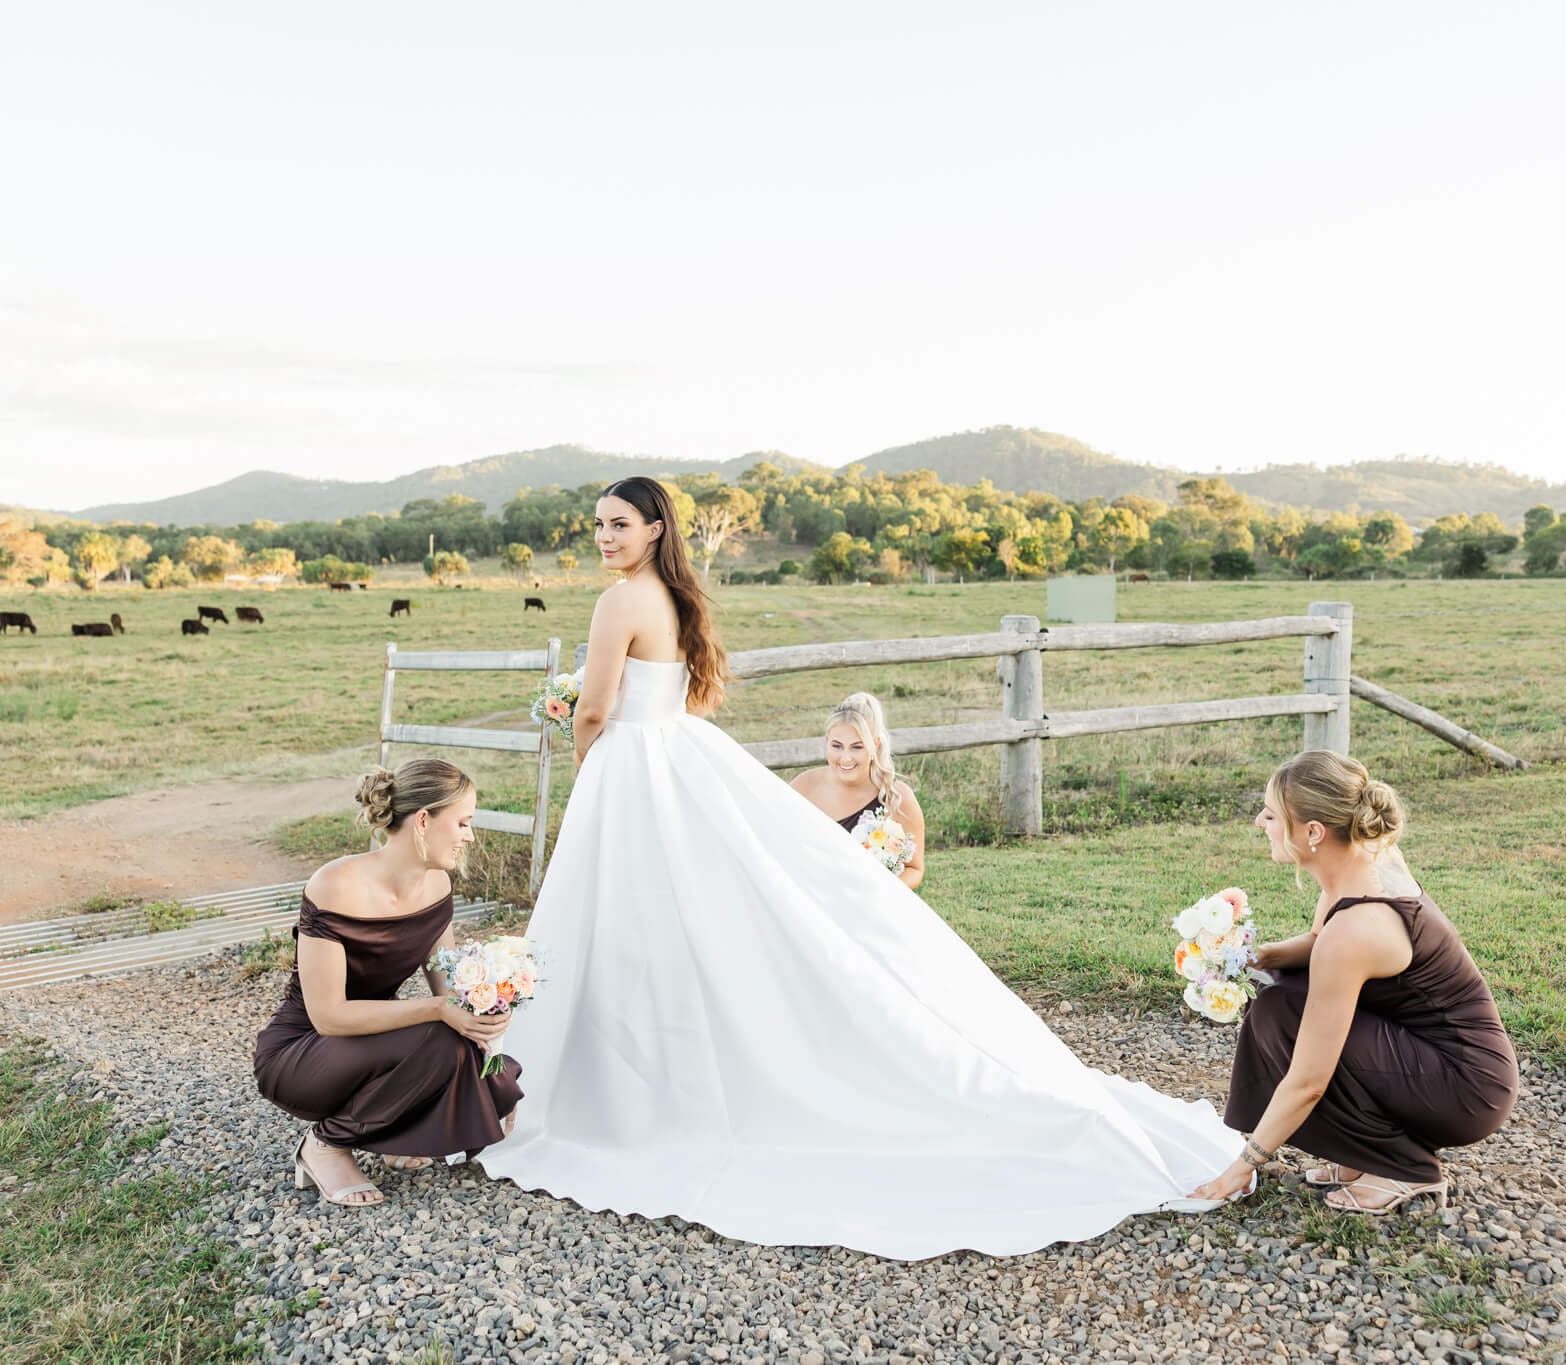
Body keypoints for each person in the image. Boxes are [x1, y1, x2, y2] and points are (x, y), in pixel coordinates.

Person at [474, 476, 1241, 1260]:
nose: (604, 537)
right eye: (597, 525)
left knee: (629, 923)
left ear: (653, 527)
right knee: (678, 919)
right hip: (676, 756)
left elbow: (598, 708)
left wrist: (583, 766)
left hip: (633, 769)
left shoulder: (618, 602)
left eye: (618, 524)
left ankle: (618, 1093)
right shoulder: (671, 596)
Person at [1188, 752, 1518, 1214]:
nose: (1261, 821)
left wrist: (1241, 1167)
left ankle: (1404, 1166)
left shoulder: (1358, 928)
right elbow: (1318, 941)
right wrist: (1248, 957)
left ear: (1313, 832)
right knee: (1278, 999)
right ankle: (1365, 1153)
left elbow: (1308, 1081)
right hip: (1436, 1057)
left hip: (1466, 1085)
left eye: (1272, 813)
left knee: (1281, 1017)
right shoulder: (1361, 861)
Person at [254, 759, 524, 1208]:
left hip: (376, 1042)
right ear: (423, 821)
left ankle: (392, 1133)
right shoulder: (335, 885)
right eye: (462, 823)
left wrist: (484, 1018)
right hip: (304, 1052)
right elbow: (329, 1016)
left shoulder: (437, 886)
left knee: (459, 1045)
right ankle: (324, 1144)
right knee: (440, 1032)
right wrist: (441, 1013)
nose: (469, 836)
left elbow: (447, 992)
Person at [789, 691, 926, 890]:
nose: (845, 758)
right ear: (827, 741)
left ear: (875, 745)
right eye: (837, 746)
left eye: (857, 747)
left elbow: (914, 869)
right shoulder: (805, 785)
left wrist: (878, 892)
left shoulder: (897, 798)